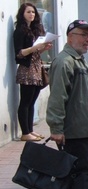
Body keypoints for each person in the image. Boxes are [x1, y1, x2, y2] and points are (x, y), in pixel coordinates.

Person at [46, 19, 88, 189]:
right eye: (83, 35)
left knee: (71, 172)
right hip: (75, 129)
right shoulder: (65, 61)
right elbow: (57, 98)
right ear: (70, 36)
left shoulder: (77, 60)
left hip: (81, 126)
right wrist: (56, 127)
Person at [13, 3, 52, 142]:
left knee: (32, 101)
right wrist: (34, 47)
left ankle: (30, 130)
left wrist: (43, 48)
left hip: (37, 67)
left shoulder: (34, 30)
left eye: (33, 12)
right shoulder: (19, 31)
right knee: (25, 101)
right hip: (27, 69)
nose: (32, 15)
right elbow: (19, 53)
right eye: (29, 12)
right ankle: (25, 132)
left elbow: (35, 52)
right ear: (22, 14)